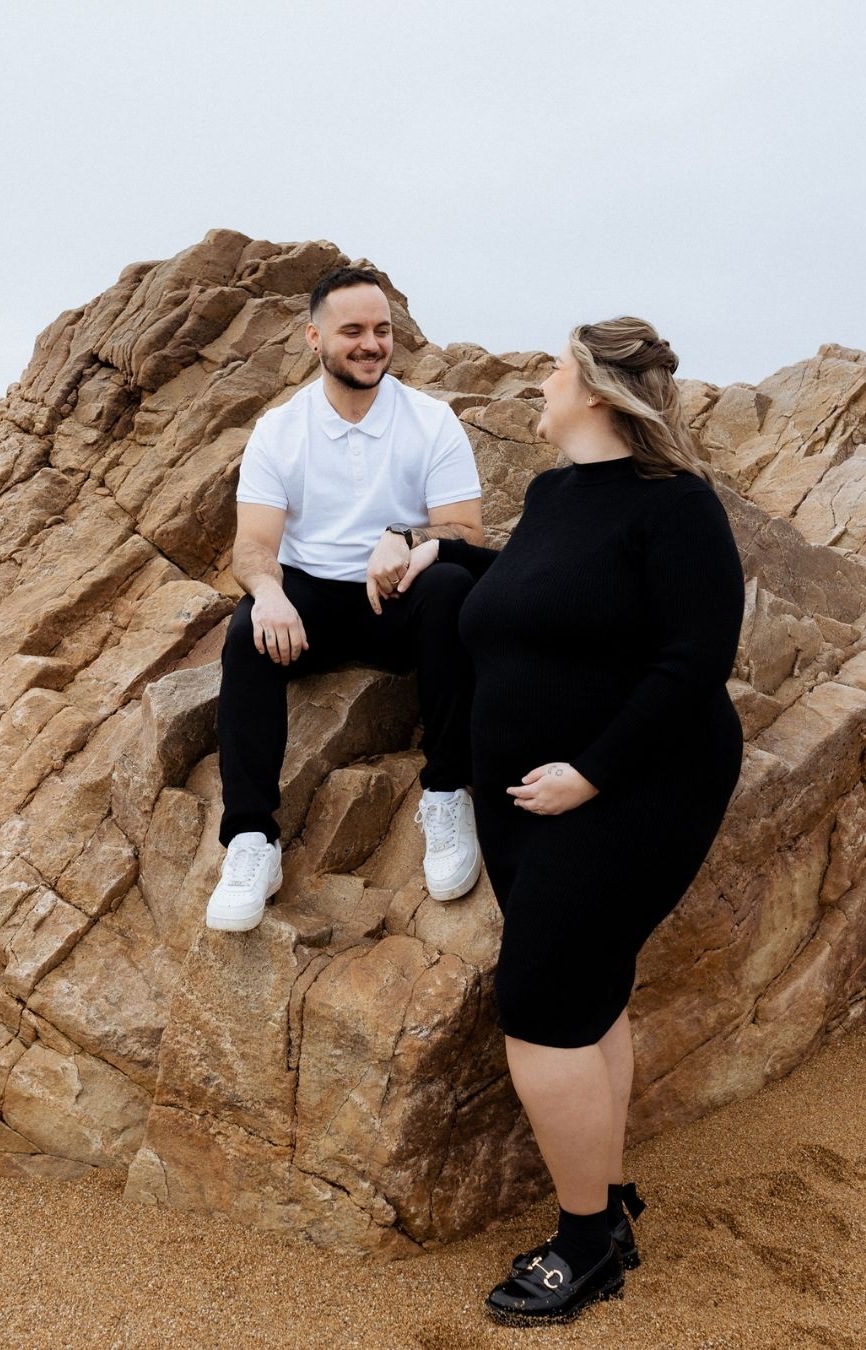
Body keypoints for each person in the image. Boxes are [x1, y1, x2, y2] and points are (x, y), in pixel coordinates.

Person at [398, 317, 745, 1326]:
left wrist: (591, 774)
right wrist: (431, 556)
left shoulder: (676, 507)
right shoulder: (554, 494)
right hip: (532, 795)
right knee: (588, 991)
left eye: (553, 369)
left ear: (592, 388)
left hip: (636, 785)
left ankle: (586, 1243)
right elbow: (527, 592)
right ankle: (606, 1191)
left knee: (542, 1001)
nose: (539, 384)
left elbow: (695, 663)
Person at [206, 266, 485, 932]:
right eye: (352, 330)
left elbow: (467, 530)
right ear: (314, 337)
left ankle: (447, 792)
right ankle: (251, 840)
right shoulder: (281, 430)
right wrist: (268, 593)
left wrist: (408, 536)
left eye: (382, 330)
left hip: (398, 595)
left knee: (452, 586)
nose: (370, 344)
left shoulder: (429, 421)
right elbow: (253, 546)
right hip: (311, 600)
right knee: (246, 633)